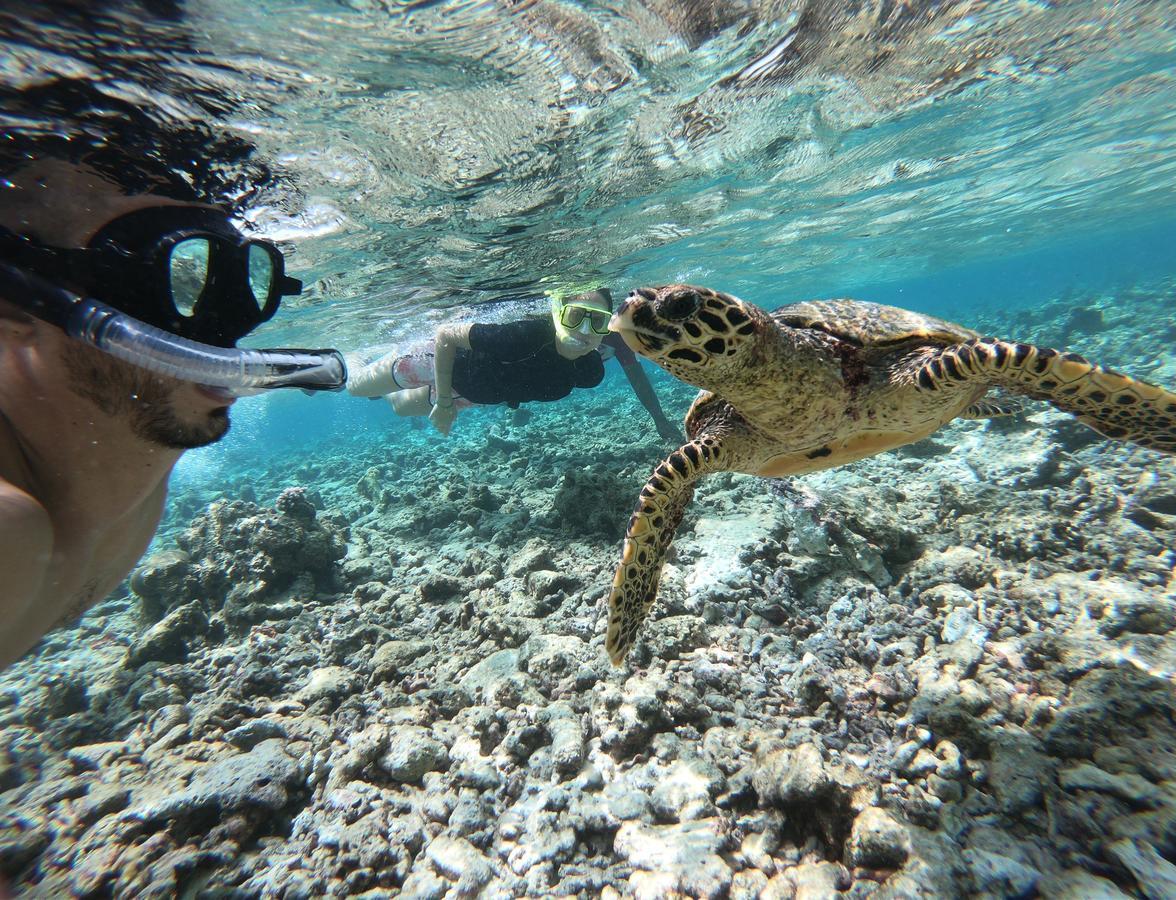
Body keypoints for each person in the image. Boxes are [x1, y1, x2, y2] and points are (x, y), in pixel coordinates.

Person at [0, 159, 343, 669]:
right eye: (173, 282)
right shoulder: (12, 528)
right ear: (17, 306)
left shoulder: (136, 444)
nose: (222, 335)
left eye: (244, 281)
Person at [348, 288, 685, 441]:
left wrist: (659, 419)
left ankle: (387, 392)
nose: (585, 331)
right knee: (356, 387)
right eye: (576, 317)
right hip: (439, 361)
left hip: (477, 391)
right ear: (558, 314)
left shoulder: (592, 368)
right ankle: (354, 362)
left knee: (400, 409)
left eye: (597, 322)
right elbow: (446, 335)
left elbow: (636, 373)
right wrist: (445, 403)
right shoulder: (519, 335)